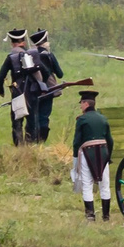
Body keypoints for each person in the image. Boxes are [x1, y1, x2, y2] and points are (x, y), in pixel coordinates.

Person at [70, 89, 112, 221]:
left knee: (87, 184)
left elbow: (77, 142)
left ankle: (90, 215)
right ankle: (106, 216)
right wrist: (108, 157)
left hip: (88, 152)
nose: (80, 106)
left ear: (86, 104)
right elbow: (110, 140)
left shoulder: (82, 119)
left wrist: (75, 160)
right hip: (104, 152)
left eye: (81, 103)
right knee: (104, 185)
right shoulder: (103, 118)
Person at [0, 30, 35, 146]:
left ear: (12, 43)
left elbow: (0, 76)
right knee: (31, 120)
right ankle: (31, 145)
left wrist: (1, 91)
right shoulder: (29, 54)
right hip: (31, 91)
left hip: (17, 92)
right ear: (23, 41)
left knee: (17, 121)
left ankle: (19, 147)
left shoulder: (11, 57)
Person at [25, 29, 64, 144]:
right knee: (44, 117)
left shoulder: (29, 55)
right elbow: (60, 74)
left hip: (32, 91)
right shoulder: (49, 55)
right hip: (48, 91)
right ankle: (41, 142)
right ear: (45, 42)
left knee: (33, 117)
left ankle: (31, 141)